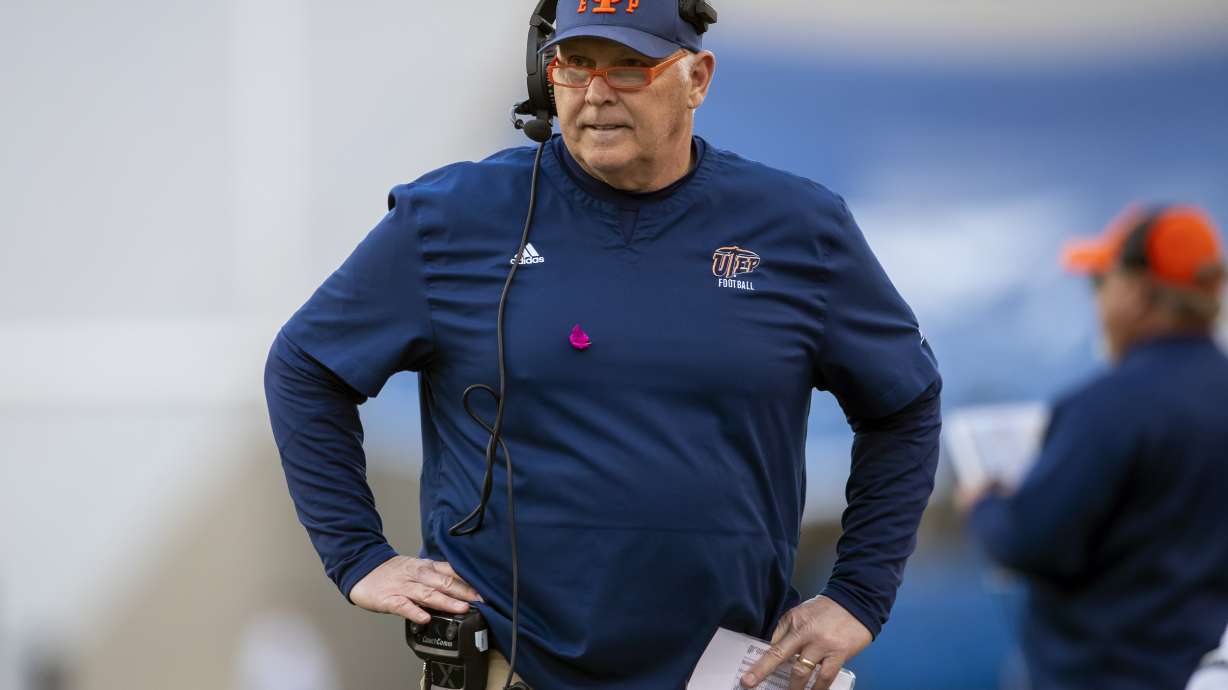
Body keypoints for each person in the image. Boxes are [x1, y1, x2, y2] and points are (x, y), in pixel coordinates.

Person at [263, 2, 942, 688]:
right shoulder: (452, 217)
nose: (596, 92)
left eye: (630, 68)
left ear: (697, 78)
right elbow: (305, 367)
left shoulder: (799, 227)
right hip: (512, 670)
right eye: (575, 65)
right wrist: (359, 556)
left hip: (725, 674)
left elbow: (904, 403)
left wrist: (858, 594)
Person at [965, 205, 1228, 690]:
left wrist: (986, 507)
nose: (1098, 301)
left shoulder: (1107, 406)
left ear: (1137, 293)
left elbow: (1029, 541)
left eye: (1100, 283)